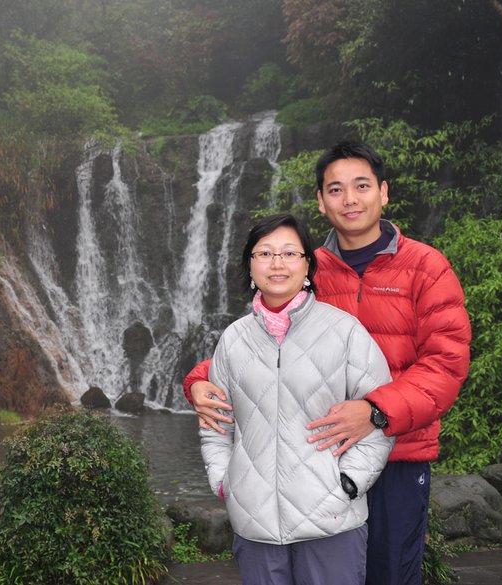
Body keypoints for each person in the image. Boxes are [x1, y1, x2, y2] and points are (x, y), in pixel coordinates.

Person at [185, 140, 471, 585]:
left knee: (392, 575)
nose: (350, 199)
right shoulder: (305, 267)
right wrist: (199, 380)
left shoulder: (425, 266)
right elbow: (267, 345)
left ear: (384, 192)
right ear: (321, 201)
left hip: (399, 455)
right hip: (317, 461)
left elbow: (445, 365)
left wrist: (376, 412)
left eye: (362, 186)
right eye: (336, 189)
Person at [200, 213, 393, 585]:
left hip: (331, 520)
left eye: (290, 253)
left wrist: (349, 483)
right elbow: (216, 424)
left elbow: (380, 416)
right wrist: (224, 481)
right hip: (254, 522)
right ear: (250, 265)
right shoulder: (233, 339)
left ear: (307, 266)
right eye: (264, 253)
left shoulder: (345, 332)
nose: (277, 263)